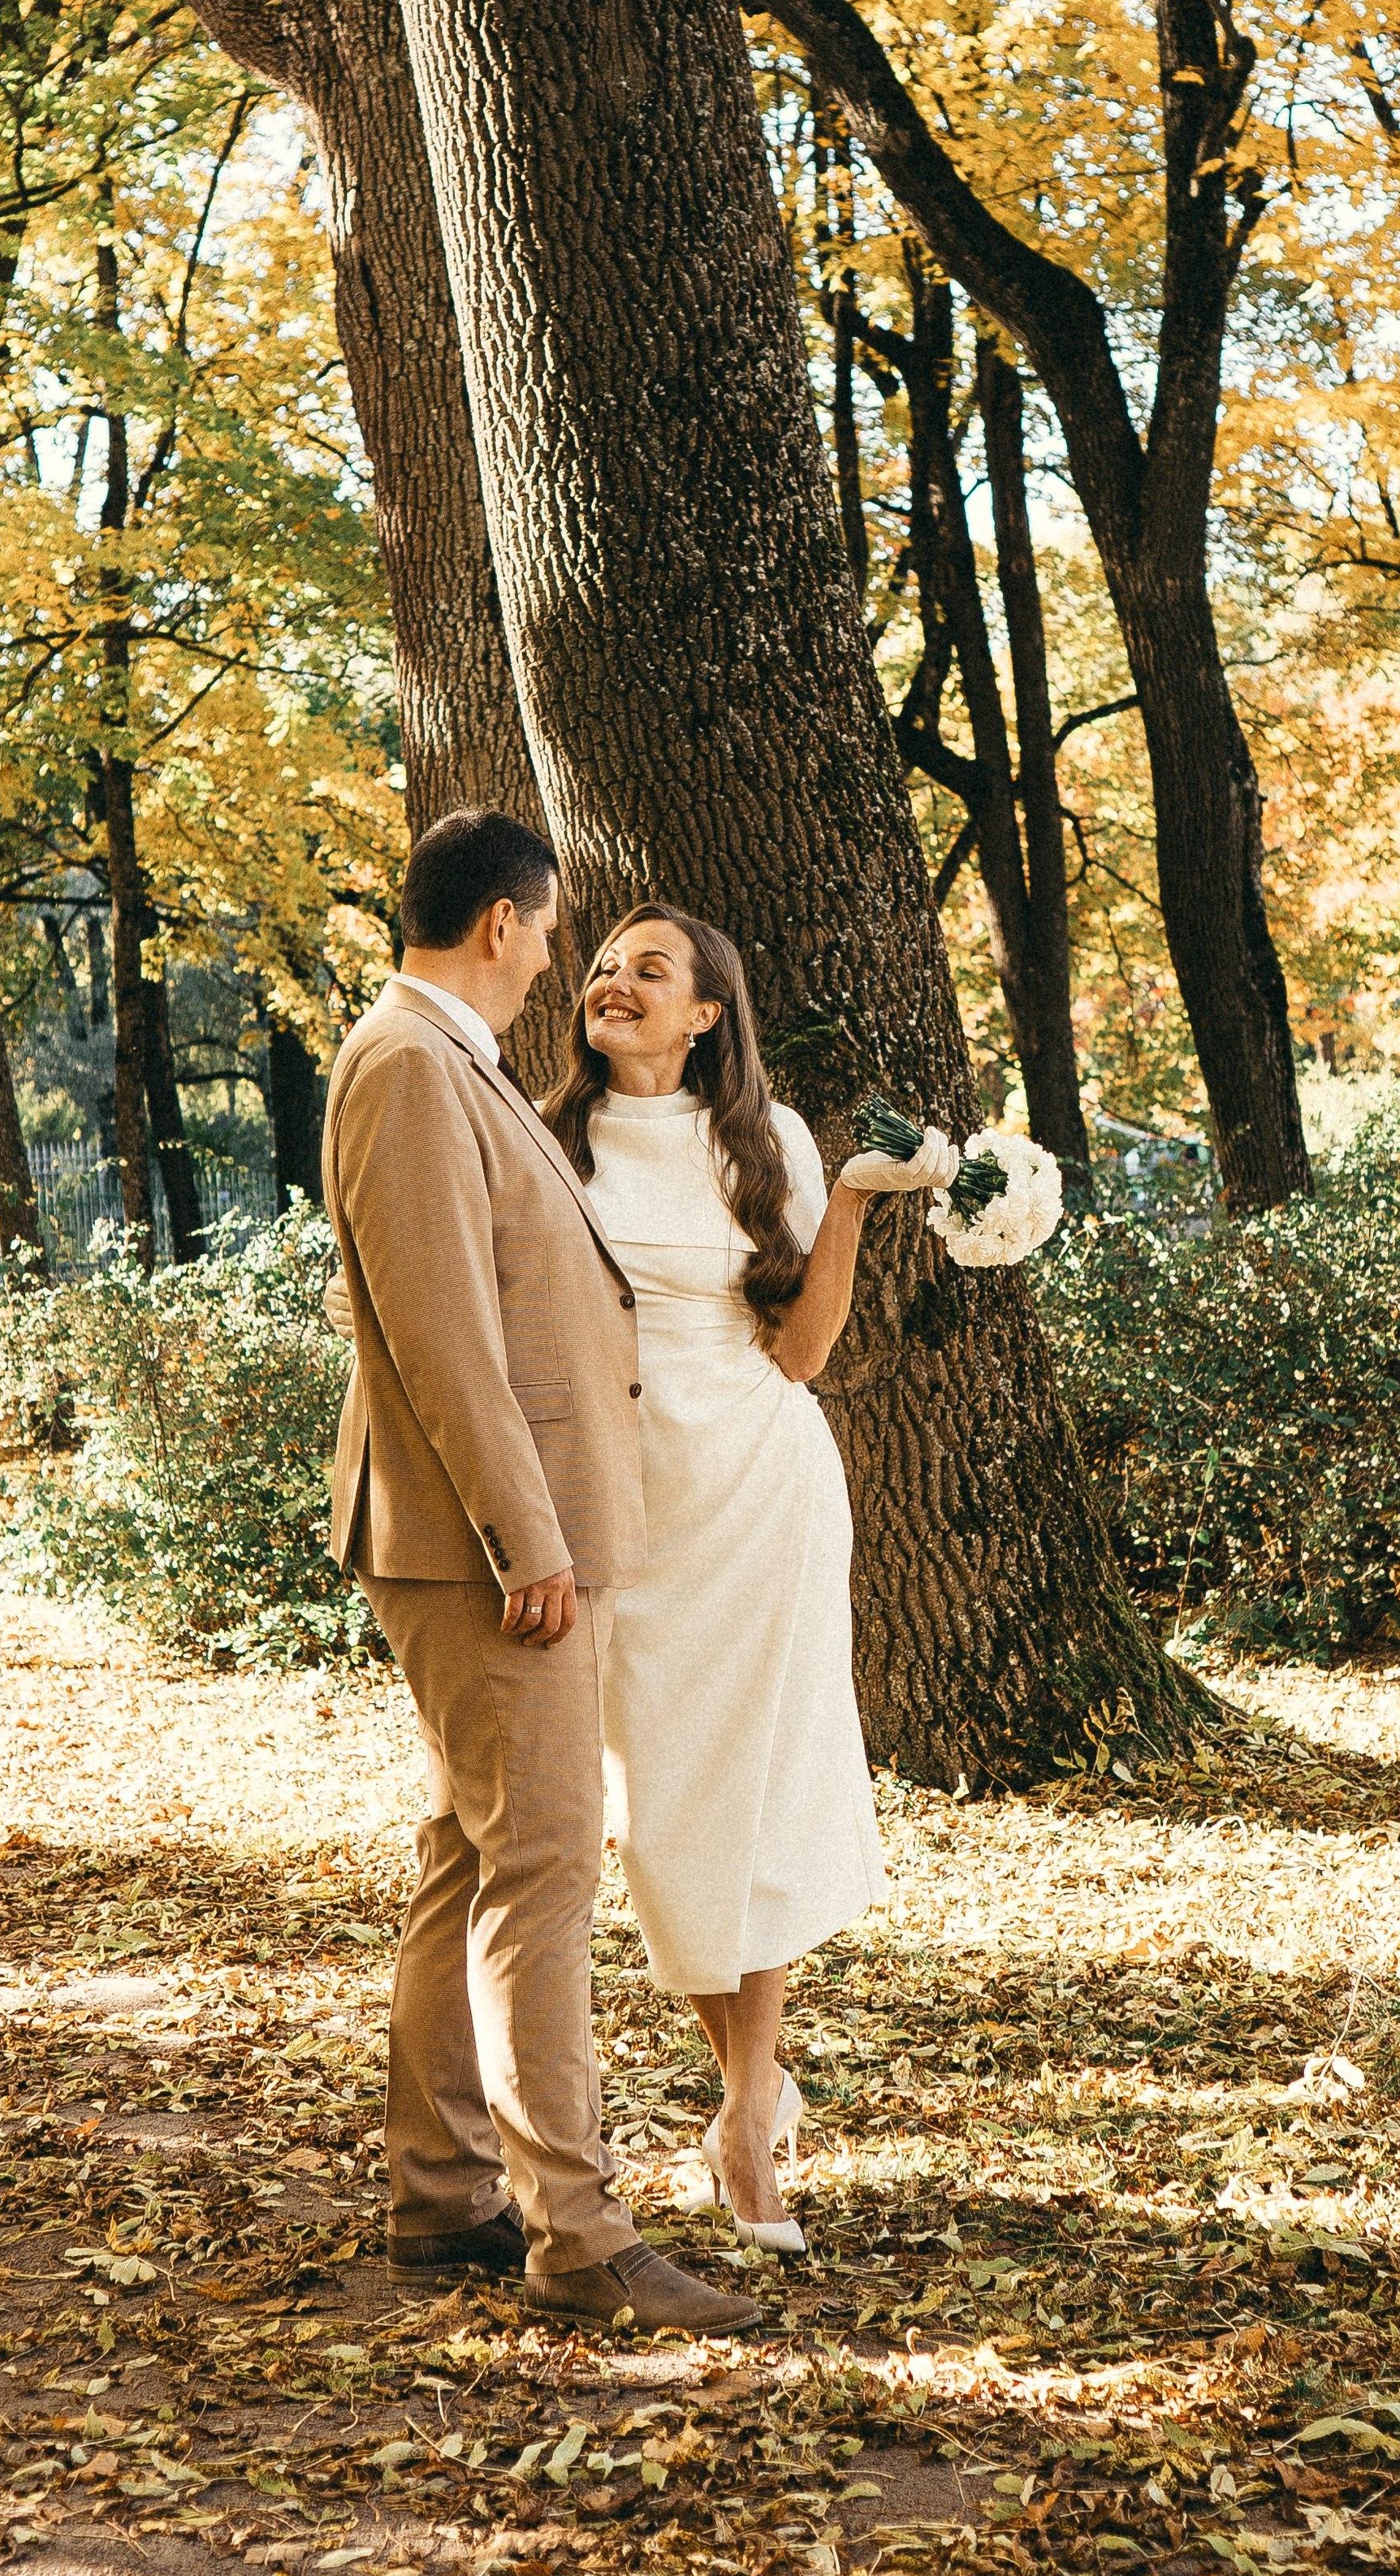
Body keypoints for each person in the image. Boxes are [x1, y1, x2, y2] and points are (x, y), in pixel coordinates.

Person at [322, 810, 760, 2335]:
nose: (560, 956)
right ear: (503, 924)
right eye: (556, 927)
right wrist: (529, 1541)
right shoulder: (409, 1066)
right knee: (546, 1872)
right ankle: (576, 2235)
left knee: (473, 1859)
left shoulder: (452, 1063)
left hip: (496, 1540)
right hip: (485, 1551)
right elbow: (442, 1334)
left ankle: (442, 2194)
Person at [542, 905, 958, 2251]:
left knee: (757, 1798)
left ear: (707, 1013)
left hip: (761, 1494)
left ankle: (739, 2122)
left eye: (648, 970)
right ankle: (756, 2082)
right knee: (661, 1817)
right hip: (624, 1510)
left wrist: (851, 1201)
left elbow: (804, 1353)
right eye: (605, 965)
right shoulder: (545, 1137)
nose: (615, 982)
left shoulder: (762, 1141)